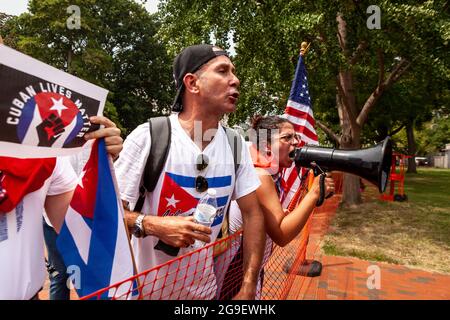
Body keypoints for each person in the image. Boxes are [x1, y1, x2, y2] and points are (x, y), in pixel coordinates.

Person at [114, 44, 266, 300]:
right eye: (223, 71)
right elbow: (107, 213)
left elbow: (253, 215)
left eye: (234, 72)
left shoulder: (236, 144)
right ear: (192, 83)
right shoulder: (150, 137)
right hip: (140, 292)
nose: (235, 80)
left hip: (203, 294)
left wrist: (249, 284)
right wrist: (151, 224)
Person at [0, 116, 123, 300]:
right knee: (59, 276)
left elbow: (82, 225)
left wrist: (102, 164)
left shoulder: (45, 152)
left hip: (28, 295)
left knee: (63, 275)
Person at [217, 115, 335, 299]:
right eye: (287, 138)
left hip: (250, 269)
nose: (296, 142)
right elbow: (281, 235)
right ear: (266, 145)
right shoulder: (260, 176)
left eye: (296, 137)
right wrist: (313, 195)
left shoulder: (268, 173)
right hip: (234, 274)